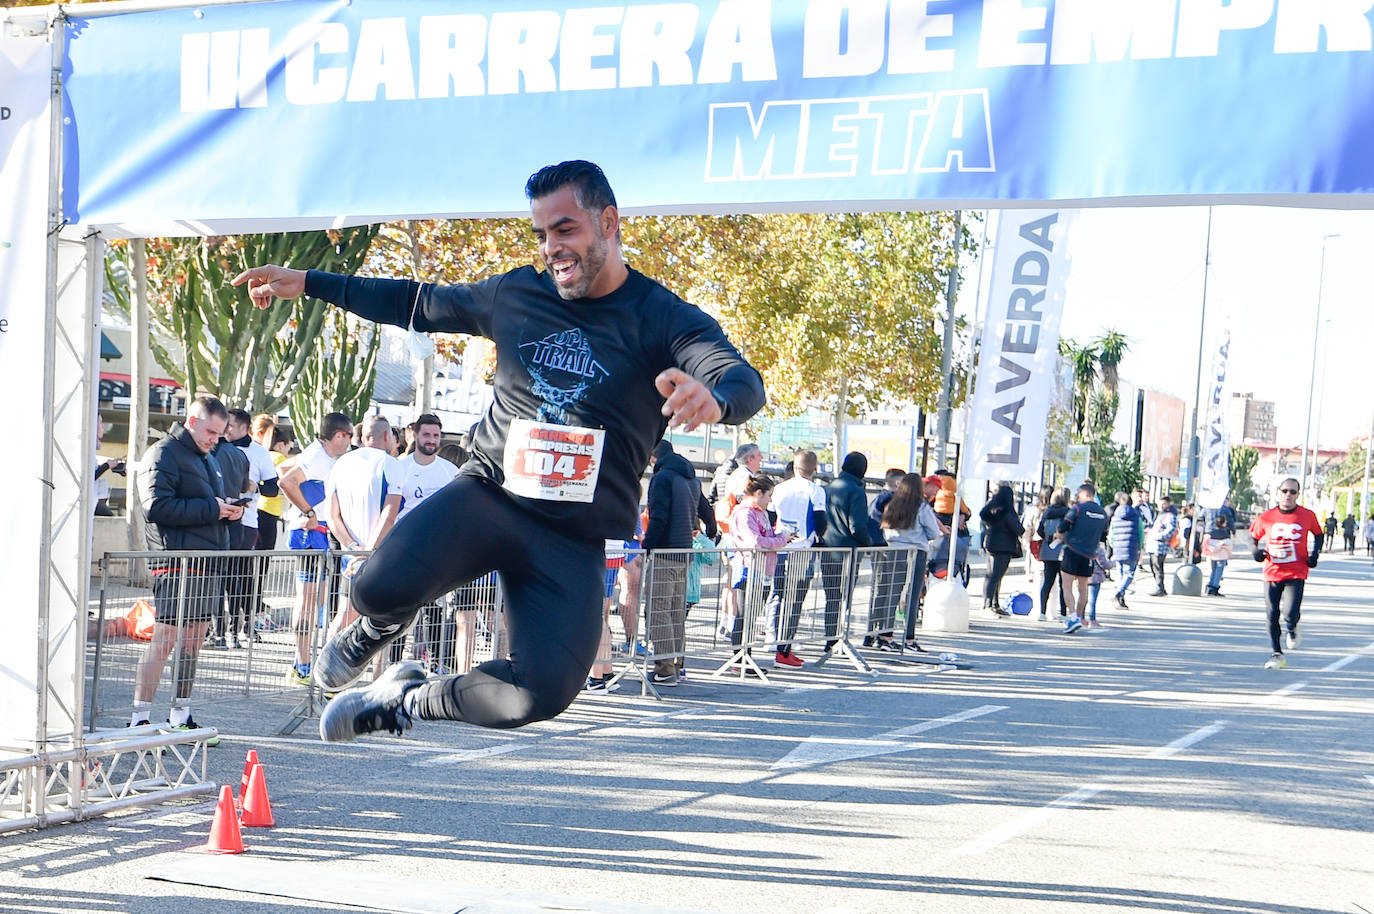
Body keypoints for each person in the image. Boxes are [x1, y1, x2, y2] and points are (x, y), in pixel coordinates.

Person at [233, 160, 765, 741]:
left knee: (540, 694)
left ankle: (403, 701)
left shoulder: (663, 319)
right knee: (372, 589)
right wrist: (312, 282)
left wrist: (714, 396)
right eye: (541, 235)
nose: (552, 249)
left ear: (608, 222)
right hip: (490, 498)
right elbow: (416, 302)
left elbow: (739, 377)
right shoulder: (516, 294)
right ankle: (371, 632)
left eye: (566, 230)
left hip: (571, 535)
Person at [131, 395, 241, 740]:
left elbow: (204, 504)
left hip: (207, 562)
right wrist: (214, 508)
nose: (215, 439)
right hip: (176, 563)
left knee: (193, 641)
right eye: (211, 431)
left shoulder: (205, 457)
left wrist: (226, 510)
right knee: (164, 639)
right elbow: (155, 507)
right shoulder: (164, 453)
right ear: (192, 421)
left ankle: (180, 712)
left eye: (220, 434)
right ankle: (139, 718)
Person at [276, 411, 354, 685]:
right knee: (307, 601)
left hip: (320, 534)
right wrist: (307, 512)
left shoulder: (319, 454)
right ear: (339, 435)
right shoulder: (318, 457)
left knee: (316, 600)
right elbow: (285, 481)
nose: (350, 443)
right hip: (310, 535)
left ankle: (303, 662)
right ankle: (302, 665)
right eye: (350, 436)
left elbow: (283, 469)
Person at [325, 416, 405, 651]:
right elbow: (389, 514)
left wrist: (352, 548)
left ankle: (326, 677)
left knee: (343, 617)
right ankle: (378, 680)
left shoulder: (340, 464)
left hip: (351, 556)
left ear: (361, 438)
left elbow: (332, 516)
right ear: (387, 437)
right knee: (383, 622)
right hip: (381, 557)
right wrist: (368, 553)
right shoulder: (391, 464)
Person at [394, 413, 460, 666]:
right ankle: (394, 661)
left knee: (434, 610)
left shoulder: (450, 471)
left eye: (436, 435)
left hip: (436, 553)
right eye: (427, 435)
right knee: (400, 609)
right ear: (416, 435)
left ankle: (437, 663)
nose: (432, 440)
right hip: (403, 551)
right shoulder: (400, 468)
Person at [642, 439, 704, 687]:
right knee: (676, 612)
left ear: (653, 458)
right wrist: (709, 529)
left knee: (658, 613)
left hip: (664, 553)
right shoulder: (691, 478)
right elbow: (706, 511)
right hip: (684, 553)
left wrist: (647, 547)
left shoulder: (662, 479)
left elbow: (658, 517)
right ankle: (677, 665)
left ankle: (664, 669)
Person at [1249, 478, 1323, 670]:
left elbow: (1318, 534)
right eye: (1285, 491)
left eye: (1292, 492)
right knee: (1272, 613)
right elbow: (1253, 537)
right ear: (1278, 493)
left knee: (1290, 613)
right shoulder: (1266, 517)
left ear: (1298, 495)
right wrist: (1256, 552)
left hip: (1296, 571)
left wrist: (1315, 554)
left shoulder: (1307, 515)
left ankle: (1292, 628)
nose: (1288, 495)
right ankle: (1276, 653)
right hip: (1272, 571)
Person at [766, 450, 827, 667]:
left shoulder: (779, 488)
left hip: (780, 547)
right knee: (795, 600)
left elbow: (771, 517)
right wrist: (817, 537)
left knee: (777, 594)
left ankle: (772, 636)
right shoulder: (816, 491)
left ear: (794, 467)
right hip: (802, 550)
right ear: (815, 468)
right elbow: (820, 522)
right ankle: (784, 650)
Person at [726, 475, 794, 655]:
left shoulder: (759, 512)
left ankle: (745, 656)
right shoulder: (744, 513)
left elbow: (764, 538)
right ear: (758, 493)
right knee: (744, 616)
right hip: (749, 568)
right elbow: (755, 541)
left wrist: (783, 539)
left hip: (763, 569)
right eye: (769, 495)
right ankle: (740, 658)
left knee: (751, 617)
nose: (770, 500)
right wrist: (781, 539)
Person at [881, 473, 947, 651]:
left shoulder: (892, 505)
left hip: (894, 551)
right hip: (916, 551)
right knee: (912, 594)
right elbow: (933, 532)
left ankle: (886, 636)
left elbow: (886, 530)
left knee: (892, 593)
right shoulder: (921, 507)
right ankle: (909, 638)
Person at [820, 452, 872, 655]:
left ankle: (829, 638)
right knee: (844, 596)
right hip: (848, 549)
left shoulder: (828, 487)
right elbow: (857, 526)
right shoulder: (857, 492)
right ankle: (838, 638)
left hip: (828, 546)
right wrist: (868, 543)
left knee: (831, 595)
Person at [1055, 483, 1110, 634]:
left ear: (1085, 494)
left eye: (1079, 494)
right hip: (1089, 554)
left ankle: (1073, 617)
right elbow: (1104, 535)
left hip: (1072, 550)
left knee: (1066, 585)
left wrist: (1060, 535)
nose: (1077, 497)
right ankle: (1079, 616)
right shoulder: (1103, 513)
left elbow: (1063, 526)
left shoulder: (1078, 509)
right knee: (1083, 587)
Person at [866, 468, 906, 646]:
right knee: (883, 589)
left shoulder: (880, 498)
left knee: (881, 589)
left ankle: (874, 632)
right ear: (898, 484)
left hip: (880, 547)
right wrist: (880, 543)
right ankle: (877, 633)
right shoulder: (887, 498)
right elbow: (874, 522)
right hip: (884, 549)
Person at [978, 483, 1024, 617]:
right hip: (1004, 547)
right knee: (996, 576)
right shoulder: (1008, 512)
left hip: (991, 544)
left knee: (991, 575)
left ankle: (993, 603)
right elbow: (1019, 529)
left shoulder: (993, 512)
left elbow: (982, 513)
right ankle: (989, 604)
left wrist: (993, 501)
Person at [1036, 488, 1070, 620]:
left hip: (1048, 550)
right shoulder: (1069, 513)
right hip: (1063, 549)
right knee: (1064, 584)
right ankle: (1063, 613)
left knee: (1047, 582)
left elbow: (1039, 531)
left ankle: (1042, 612)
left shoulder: (1047, 512)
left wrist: (1048, 537)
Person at [1107, 491, 1139, 608]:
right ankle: (1119, 592)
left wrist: (1113, 545)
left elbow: (1111, 534)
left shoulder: (1115, 516)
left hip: (1118, 549)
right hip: (1131, 548)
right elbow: (1140, 532)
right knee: (1129, 574)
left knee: (1120, 574)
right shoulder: (1136, 516)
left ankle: (1120, 599)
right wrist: (1140, 547)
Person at [1202, 498, 1237, 597]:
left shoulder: (1206, 508)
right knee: (1220, 565)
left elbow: (1201, 518)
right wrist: (1233, 531)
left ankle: (1210, 584)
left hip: (1209, 535)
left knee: (1211, 561)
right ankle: (1214, 586)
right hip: (1222, 537)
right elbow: (1230, 520)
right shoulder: (1224, 509)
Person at [1146, 495, 1178, 596]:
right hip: (1153, 545)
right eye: (1159, 504)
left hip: (1160, 546)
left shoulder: (1170, 516)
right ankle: (1161, 587)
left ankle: (1159, 587)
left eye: (1163, 504)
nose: (1161, 506)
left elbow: (1171, 530)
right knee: (1154, 566)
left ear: (1168, 504)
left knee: (1157, 567)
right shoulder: (1159, 515)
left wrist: (1158, 536)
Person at [1020, 487, 1048, 584]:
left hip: (1035, 544)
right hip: (1051, 545)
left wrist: (1026, 544)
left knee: (1038, 574)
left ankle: (1038, 596)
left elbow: (1027, 528)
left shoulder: (1033, 510)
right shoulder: (1054, 511)